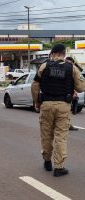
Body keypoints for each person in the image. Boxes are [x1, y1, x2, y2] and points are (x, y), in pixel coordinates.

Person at [31, 44, 85, 177]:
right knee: (61, 136)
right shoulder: (71, 68)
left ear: (53, 53)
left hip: (47, 104)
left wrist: (37, 102)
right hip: (63, 106)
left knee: (46, 135)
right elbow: (81, 88)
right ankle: (59, 167)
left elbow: (34, 85)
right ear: (63, 53)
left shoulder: (44, 66)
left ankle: (47, 161)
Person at [65, 57, 83, 131]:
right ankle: (66, 124)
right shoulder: (65, 68)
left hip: (68, 93)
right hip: (63, 93)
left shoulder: (72, 69)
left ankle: (68, 124)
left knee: (68, 110)